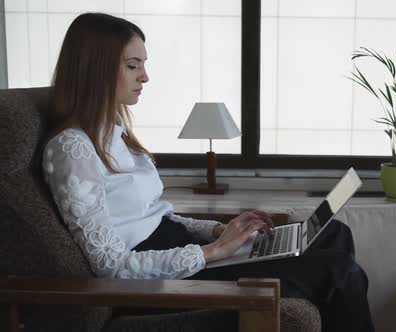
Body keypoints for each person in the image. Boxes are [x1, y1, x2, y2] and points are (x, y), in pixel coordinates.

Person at [42, 13, 374, 332]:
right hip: (163, 283)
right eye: (133, 66)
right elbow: (110, 266)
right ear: (96, 70)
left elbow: (158, 217)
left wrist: (216, 230)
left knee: (335, 234)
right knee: (340, 273)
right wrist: (213, 252)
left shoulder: (113, 132)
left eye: (144, 64)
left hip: (186, 253)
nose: (145, 76)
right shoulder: (73, 148)